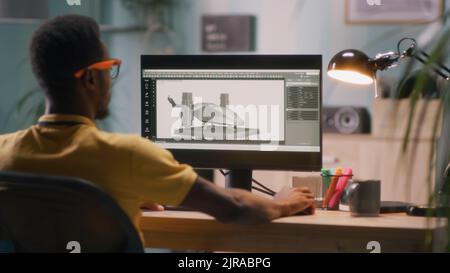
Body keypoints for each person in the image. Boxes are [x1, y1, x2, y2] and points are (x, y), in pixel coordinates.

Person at [0, 15, 314, 240]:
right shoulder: (128, 156)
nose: (112, 78)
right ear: (91, 78)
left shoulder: (3, 151)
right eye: (111, 69)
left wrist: (113, 199)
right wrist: (283, 202)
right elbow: (233, 208)